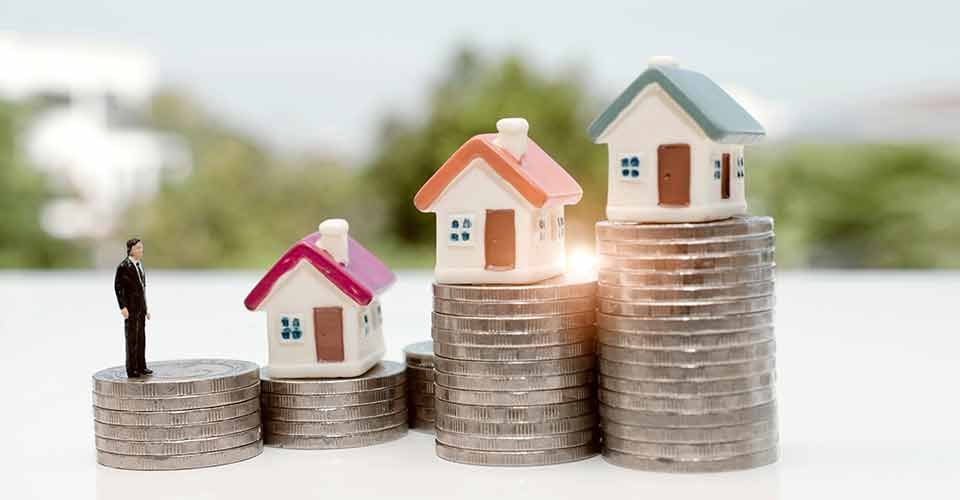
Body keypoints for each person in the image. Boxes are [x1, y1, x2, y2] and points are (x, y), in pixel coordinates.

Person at [114, 238, 152, 377]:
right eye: (137, 248)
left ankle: (141, 366)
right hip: (130, 308)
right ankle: (132, 368)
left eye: (141, 248)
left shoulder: (140, 265)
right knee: (132, 339)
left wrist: (146, 308)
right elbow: (118, 288)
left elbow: (143, 289)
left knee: (141, 337)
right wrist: (122, 307)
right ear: (130, 250)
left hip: (140, 308)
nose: (140, 251)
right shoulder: (124, 266)